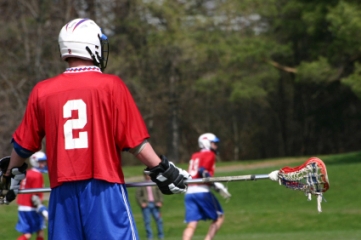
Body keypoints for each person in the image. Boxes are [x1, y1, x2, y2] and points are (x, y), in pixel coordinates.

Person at [1, 18, 190, 240]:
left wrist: (8, 174)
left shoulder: (42, 91)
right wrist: (162, 169)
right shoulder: (110, 86)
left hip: (61, 194)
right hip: (104, 188)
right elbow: (135, 142)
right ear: (91, 45)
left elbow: (24, 145)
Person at [183, 133, 231, 240]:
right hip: (201, 191)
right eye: (214, 143)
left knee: (192, 223)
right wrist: (215, 184)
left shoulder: (195, 155)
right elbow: (202, 171)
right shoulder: (209, 154)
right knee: (219, 217)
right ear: (206, 142)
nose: (216, 146)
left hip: (189, 192)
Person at [15, 151, 49, 240]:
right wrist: (41, 208)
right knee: (40, 232)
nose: (43, 164)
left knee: (27, 234)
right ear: (35, 162)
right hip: (32, 208)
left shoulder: (27, 172)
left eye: (44, 162)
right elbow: (35, 196)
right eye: (41, 162)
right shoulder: (37, 175)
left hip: (22, 207)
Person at [136, 173, 164, 240]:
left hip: (155, 205)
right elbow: (138, 195)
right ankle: (150, 237)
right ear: (144, 175)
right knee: (147, 222)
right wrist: (141, 203)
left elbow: (159, 192)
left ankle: (161, 236)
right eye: (147, 175)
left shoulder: (154, 183)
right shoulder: (142, 184)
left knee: (159, 221)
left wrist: (160, 201)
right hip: (146, 205)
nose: (148, 176)